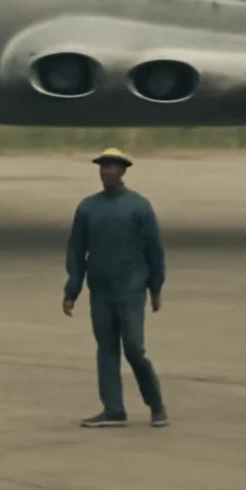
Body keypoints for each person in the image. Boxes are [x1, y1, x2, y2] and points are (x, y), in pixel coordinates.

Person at [62, 148, 168, 428]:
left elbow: (154, 249)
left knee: (134, 348)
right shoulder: (87, 208)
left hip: (131, 288)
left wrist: (155, 287)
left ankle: (156, 404)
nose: (106, 171)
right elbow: (77, 250)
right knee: (106, 348)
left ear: (123, 171)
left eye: (112, 166)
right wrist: (72, 290)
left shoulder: (138, 207)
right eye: (103, 166)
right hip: (100, 289)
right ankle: (113, 408)